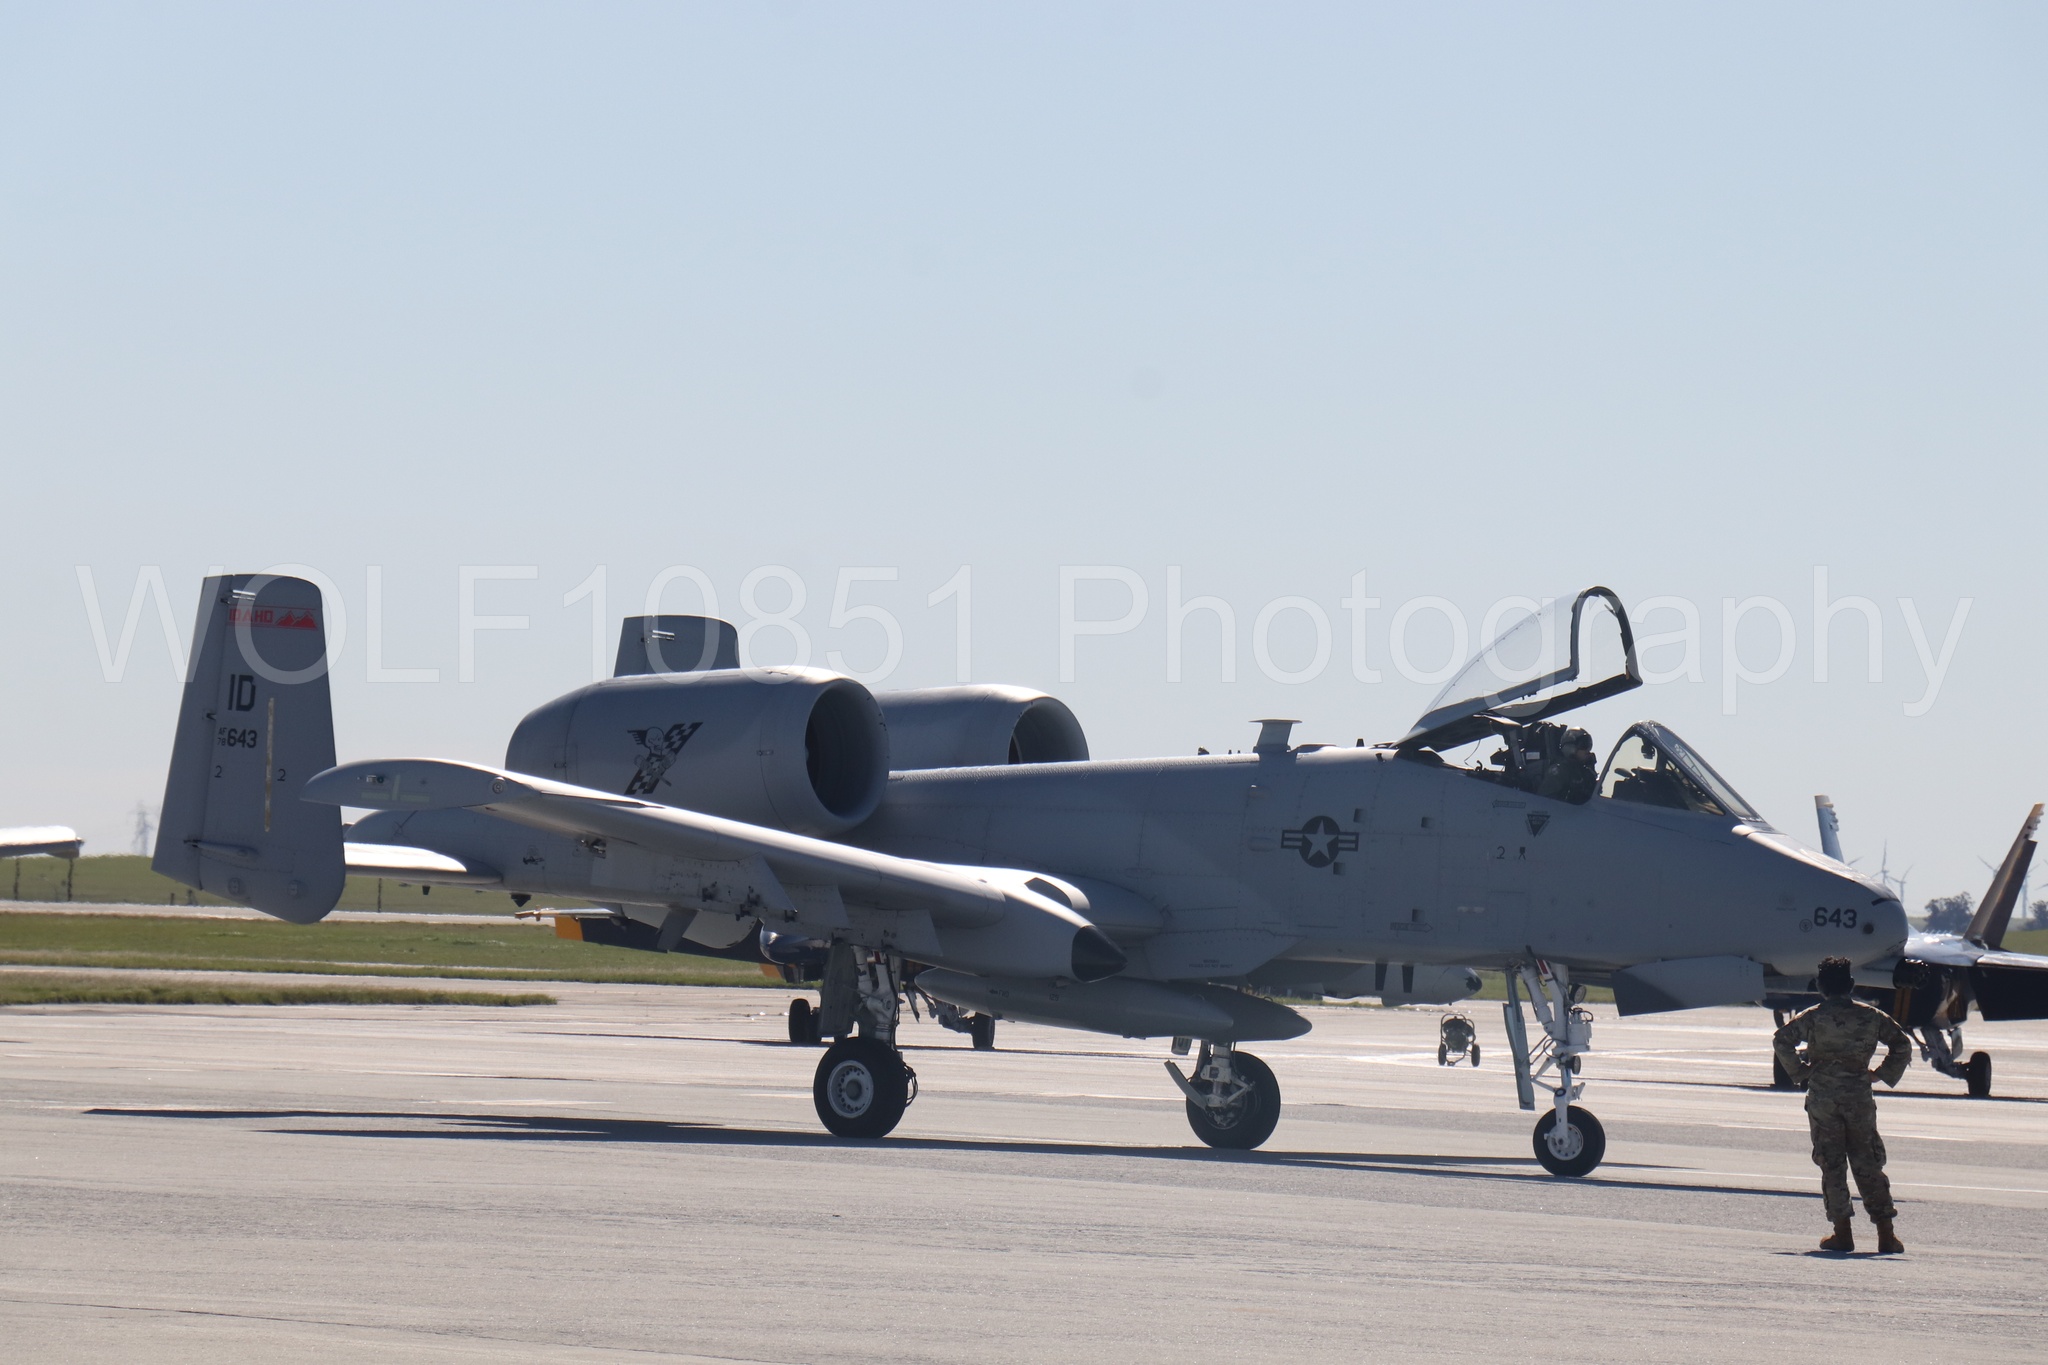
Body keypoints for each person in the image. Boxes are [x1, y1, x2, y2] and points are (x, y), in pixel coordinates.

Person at [1772, 956, 1912, 1253]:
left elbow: (1782, 1040)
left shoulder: (1812, 1017)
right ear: (1851, 984)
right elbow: (1902, 1044)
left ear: (1821, 987)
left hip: (1824, 1098)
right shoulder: (1871, 1016)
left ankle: (1842, 1232)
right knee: (1868, 1162)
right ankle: (1886, 1233)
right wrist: (1882, 1074)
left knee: (1832, 1164)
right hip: (1858, 1097)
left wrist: (1800, 1072)